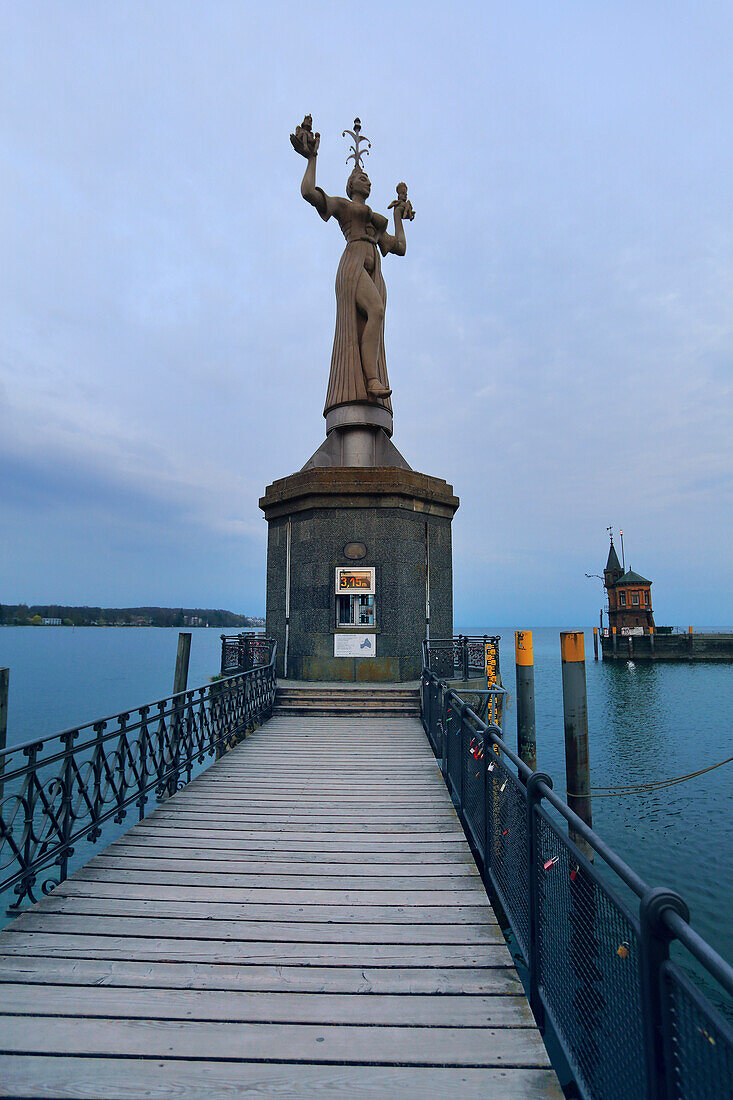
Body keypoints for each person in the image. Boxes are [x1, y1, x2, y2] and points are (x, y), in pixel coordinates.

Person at [292, 121, 413, 415]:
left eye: (369, 178)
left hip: (374, 269)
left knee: (376, 317)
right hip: (354, 264)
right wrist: (312, 158)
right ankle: (371, 380)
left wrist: (397, 214)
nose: (367, 181)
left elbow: (399, 247)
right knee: (376, 311)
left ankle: (371, 378)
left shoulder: (374, 220)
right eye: (362, 177)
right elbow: (309, 192)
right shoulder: (344, 207)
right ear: (350, 185)